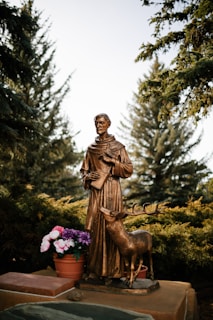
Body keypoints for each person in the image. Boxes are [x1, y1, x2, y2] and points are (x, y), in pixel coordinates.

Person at [80, 113, 133, 281]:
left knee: (113, 227)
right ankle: (95, 271)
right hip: (96, 192)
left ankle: (115, 272)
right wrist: (88, 178)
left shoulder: (118, 147)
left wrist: (112, 162)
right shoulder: (91, 148)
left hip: (112, 190)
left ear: (108, 124)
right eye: (96, 123)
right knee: (95, 227)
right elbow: (84, 171)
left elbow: (128, 169)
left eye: (102, 122)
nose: (99, 125)